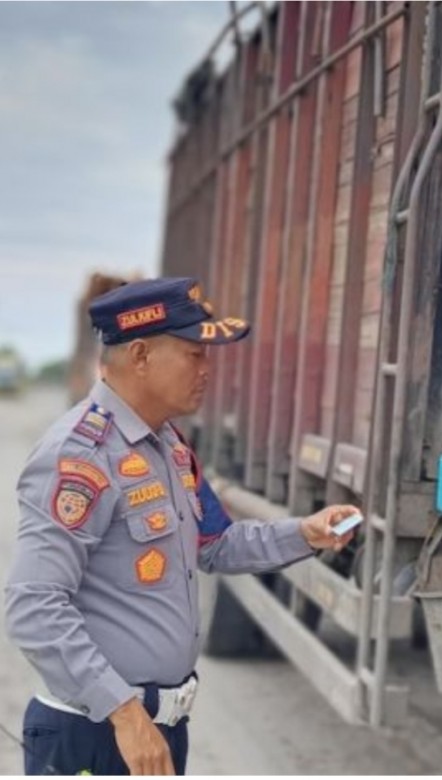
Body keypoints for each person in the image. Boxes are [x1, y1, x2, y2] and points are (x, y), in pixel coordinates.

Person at [4, 277, 360, 776]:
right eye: (195, 354)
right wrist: (125, 715)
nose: (207, 370)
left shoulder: (167, 447)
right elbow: (33, 604)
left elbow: (215, 543)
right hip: (98, 735)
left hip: (159, 732)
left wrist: (304, 533)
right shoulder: (80, 454)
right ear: (142, 356)